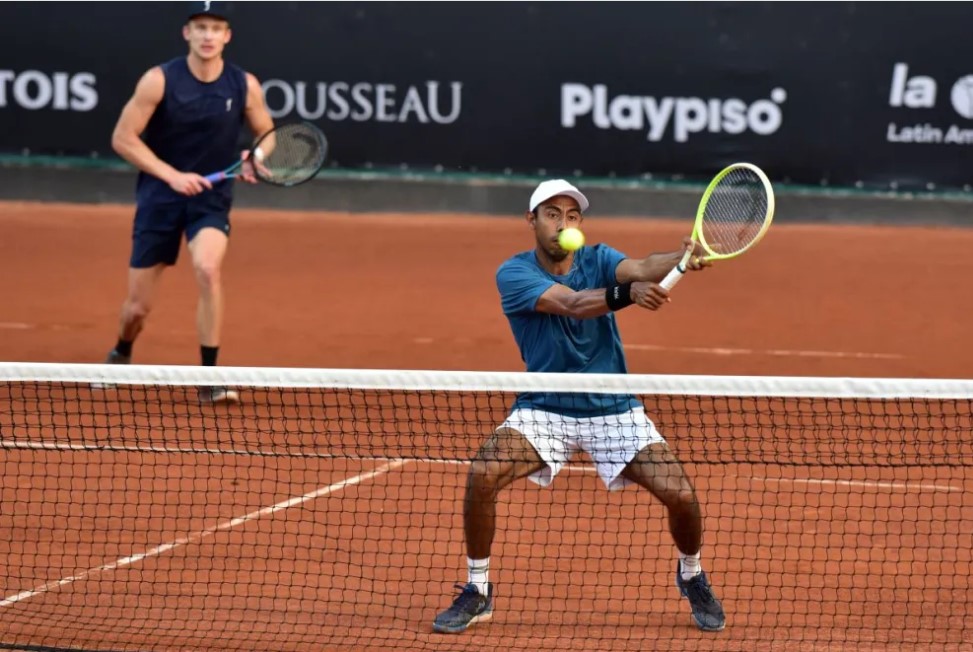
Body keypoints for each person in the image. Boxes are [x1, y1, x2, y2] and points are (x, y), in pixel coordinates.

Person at [432, 179, 726, 634]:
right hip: (544, 409)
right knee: (482, 475)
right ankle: (478, 588)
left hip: (614, 410)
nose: (562, 224)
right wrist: (628, 295)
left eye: (571, 216)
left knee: (682, 496)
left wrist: (683, 257)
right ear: (532, 220)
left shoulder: (599, 258)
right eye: (552, 214)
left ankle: (691, 574)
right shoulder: (513, 274)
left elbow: (644, 266)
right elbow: (571, 304)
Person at [101, 1, 274, 404]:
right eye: (201, 28)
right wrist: (173, 176)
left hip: (211, 198)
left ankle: (209, 376)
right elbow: (123, 138)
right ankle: (122, 350)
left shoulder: (244, 84)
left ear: (227, 35)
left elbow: (267, 132)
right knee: (137, 309)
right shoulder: (158, 80)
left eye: (216, 28)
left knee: (208, 268)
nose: (208, 36)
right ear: (187, 34)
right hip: (160, 196)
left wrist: (257, 159)